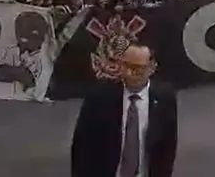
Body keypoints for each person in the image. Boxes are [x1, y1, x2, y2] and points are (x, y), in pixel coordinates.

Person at [71, 43, 178, 177]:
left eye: (137, 68)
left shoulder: (164, 98)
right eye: (126, 65)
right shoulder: (98, 98)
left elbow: (168, 146)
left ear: (151, 68)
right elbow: (81, 146)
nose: (129, 73)